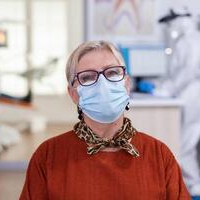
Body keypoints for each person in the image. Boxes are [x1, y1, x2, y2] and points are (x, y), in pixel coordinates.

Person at [19, 41, 190, 199]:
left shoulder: (159, 156)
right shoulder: (49, 156)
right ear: (73, 94)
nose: (102, 84)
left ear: (127, 85)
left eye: (112, 72)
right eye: (87, 77)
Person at [139, 9, 200, 200]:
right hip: (184, 99)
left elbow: (186, 74)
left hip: (191, 100)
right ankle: (190, 191)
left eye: (171, 22)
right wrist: (158, 87)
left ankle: (199, 193)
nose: (169, 27)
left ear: (181, 20)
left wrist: (163, 91)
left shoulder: (192, 42)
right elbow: (174, 75)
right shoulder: (182, 42)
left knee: (184, 150)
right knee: (182, 148)